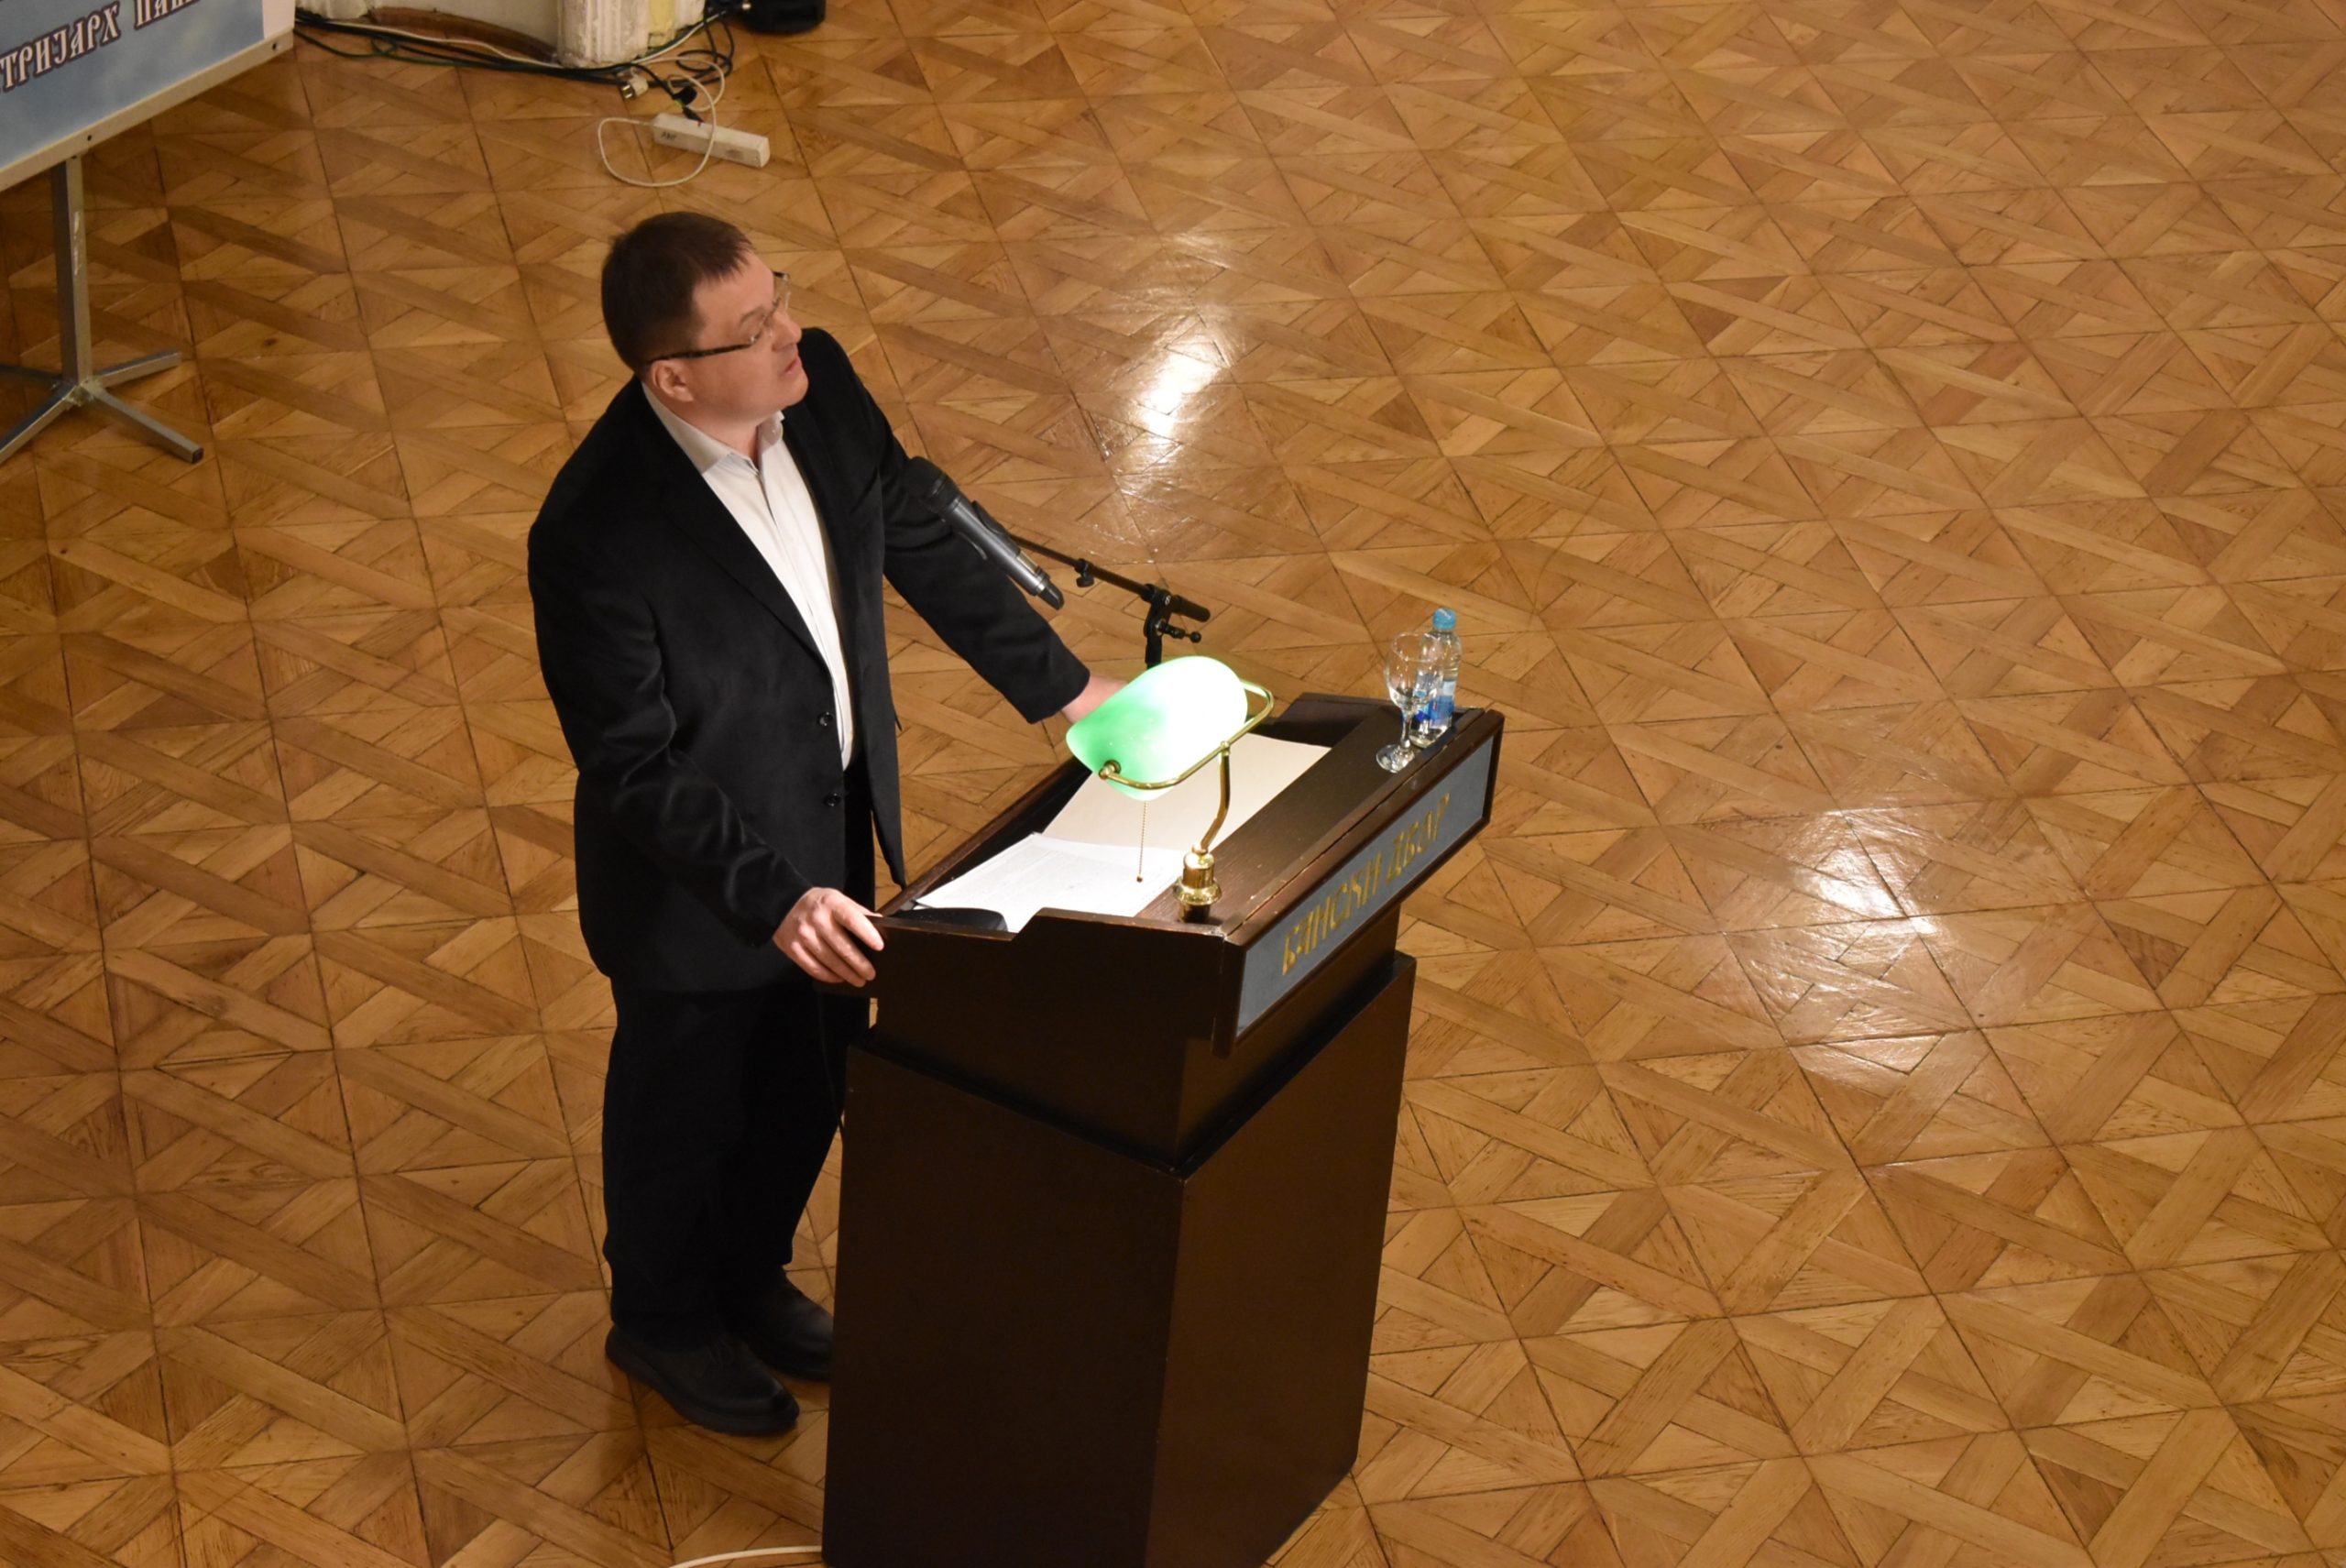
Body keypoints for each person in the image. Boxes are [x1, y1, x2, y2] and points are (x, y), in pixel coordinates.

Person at [528, 212, 1116, 1436]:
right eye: (755, 329)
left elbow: (914, 536)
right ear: (673, 377)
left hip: (832, 833)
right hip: (701, 889)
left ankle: (749, 1279)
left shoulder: (823, 387)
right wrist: (773, 897)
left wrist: (1067, 691)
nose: (790, 333)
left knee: (808, 1085)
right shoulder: (596, 531)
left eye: (781, 298)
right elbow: (631, 764)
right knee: (685, 1112)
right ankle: (663, 1321)